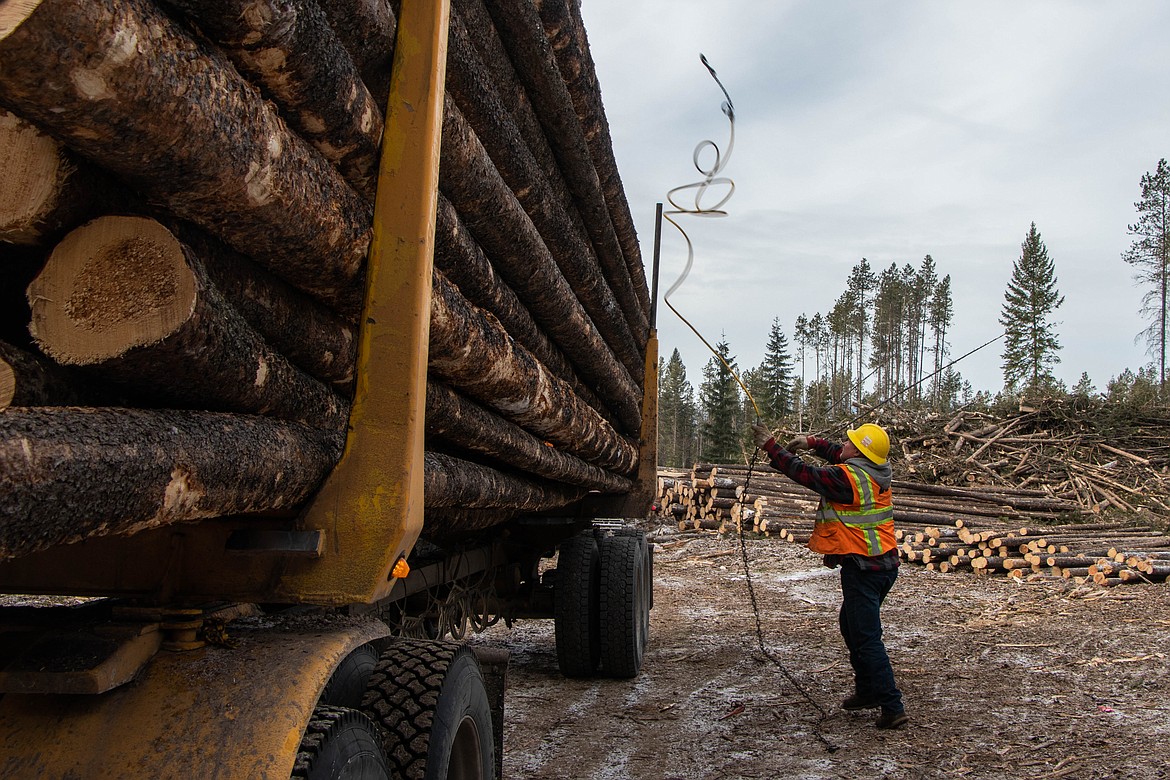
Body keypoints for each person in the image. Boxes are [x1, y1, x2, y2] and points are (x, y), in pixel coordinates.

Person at [751, 421, 909, 730]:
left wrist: (772, 446)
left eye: (851, 443)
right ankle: (867, 691)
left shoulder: (849, 479)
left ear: (860, 453)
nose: (844, 446)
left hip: (864, 567)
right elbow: (838, 454)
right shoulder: (874, 470)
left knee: (866, 637)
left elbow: (807, 474)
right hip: (882, 565)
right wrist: (811, 441)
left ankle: (892, 706)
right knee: (851, 625)